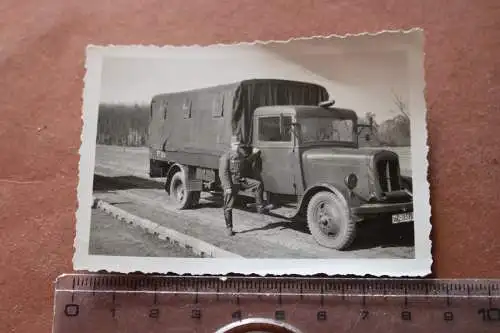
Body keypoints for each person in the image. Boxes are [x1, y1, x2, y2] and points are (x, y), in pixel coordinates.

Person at [219, 136, 268, 236]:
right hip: (231, 184)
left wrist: (254, 154)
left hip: (240, 181)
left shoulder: (240, 155)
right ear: (231, 145)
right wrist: (227, 187)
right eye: (235, 144)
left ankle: (260, 207)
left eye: (238, 144)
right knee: (228, 206)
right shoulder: (226, 157)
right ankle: (229, 228)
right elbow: (223, 173)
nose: (237, 146)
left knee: (257, 184)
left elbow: (246, 162)